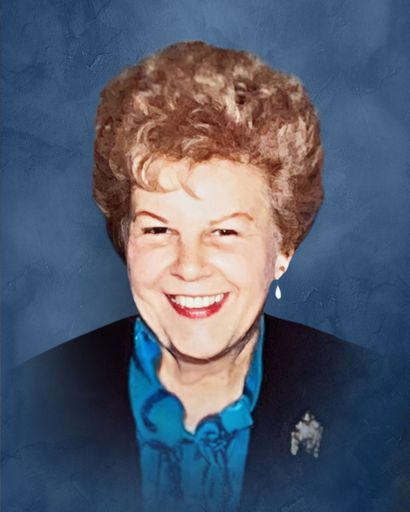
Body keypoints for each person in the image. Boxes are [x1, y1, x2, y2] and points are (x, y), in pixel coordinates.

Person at [5, 41, 405, 512]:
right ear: (125, 239)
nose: (189, 266)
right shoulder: (27, 404)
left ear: (283, 250)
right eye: (158, 229)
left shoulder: (376, 405)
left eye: (224, 232)